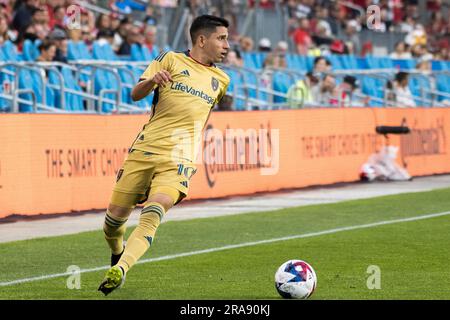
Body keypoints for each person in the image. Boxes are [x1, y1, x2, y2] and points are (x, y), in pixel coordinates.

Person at [98, 14, 230, 296]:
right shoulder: (169, 58)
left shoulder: (221, 79)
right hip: (145, 150)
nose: (227, 45)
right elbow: (135, 93)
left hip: (180, 158)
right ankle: (117, 251)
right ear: (202, 39)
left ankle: (121, 269)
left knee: (153, 211)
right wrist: (152, 81)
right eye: (222, 38)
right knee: (112, 224)